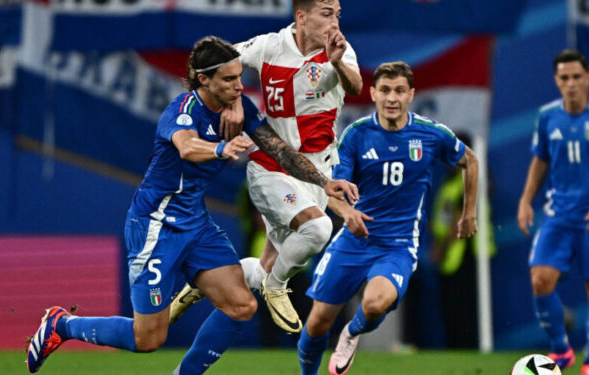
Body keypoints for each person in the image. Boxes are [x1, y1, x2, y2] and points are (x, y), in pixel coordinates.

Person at [25, 36, 357, 375]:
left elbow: (280, 150)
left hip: (196, 224)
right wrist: (219, 150)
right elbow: (186, 147)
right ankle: (62, 325)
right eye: (229, 80)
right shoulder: (182, 110)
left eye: (240, 77)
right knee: (147, 338)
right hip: (155, 225)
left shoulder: (240, 110)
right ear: (203, 79)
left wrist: (323, 182)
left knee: (242, 306)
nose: (239, 86)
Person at [170, 0, 362, 334]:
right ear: (301, 17)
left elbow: (356, 86)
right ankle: (276, 288)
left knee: (263, 267)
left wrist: (338, 64)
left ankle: (204, 281)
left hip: (314, 175)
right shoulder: (269, 46)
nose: (335, 23)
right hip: (270, 167)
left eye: (338, 15)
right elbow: (214, 60)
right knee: (317, 231)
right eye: (327, 14)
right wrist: (231, 101)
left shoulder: (340, 51)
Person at [296, 61, 479, 375]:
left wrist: (469, 213)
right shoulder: (356, 134)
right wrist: (348, 212)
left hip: (397, 246)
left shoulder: (431, 135)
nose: (392, 98)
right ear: (373, 93)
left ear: (411, 94)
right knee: (316, 322)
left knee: (374, 303)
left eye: (399, 91)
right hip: (354, 241)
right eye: (385, 90)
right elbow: (332, 191)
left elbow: (470, 161)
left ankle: (351, 333)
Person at [517, 49, 589, 375]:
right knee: (540, 279)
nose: (571, 84)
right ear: (556, 80)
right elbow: (540, 160)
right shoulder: (547, 116)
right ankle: (561, 351)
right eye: (564, 78)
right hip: (559, 215)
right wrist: (526, 199)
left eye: (576, 77)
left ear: (587, 77)